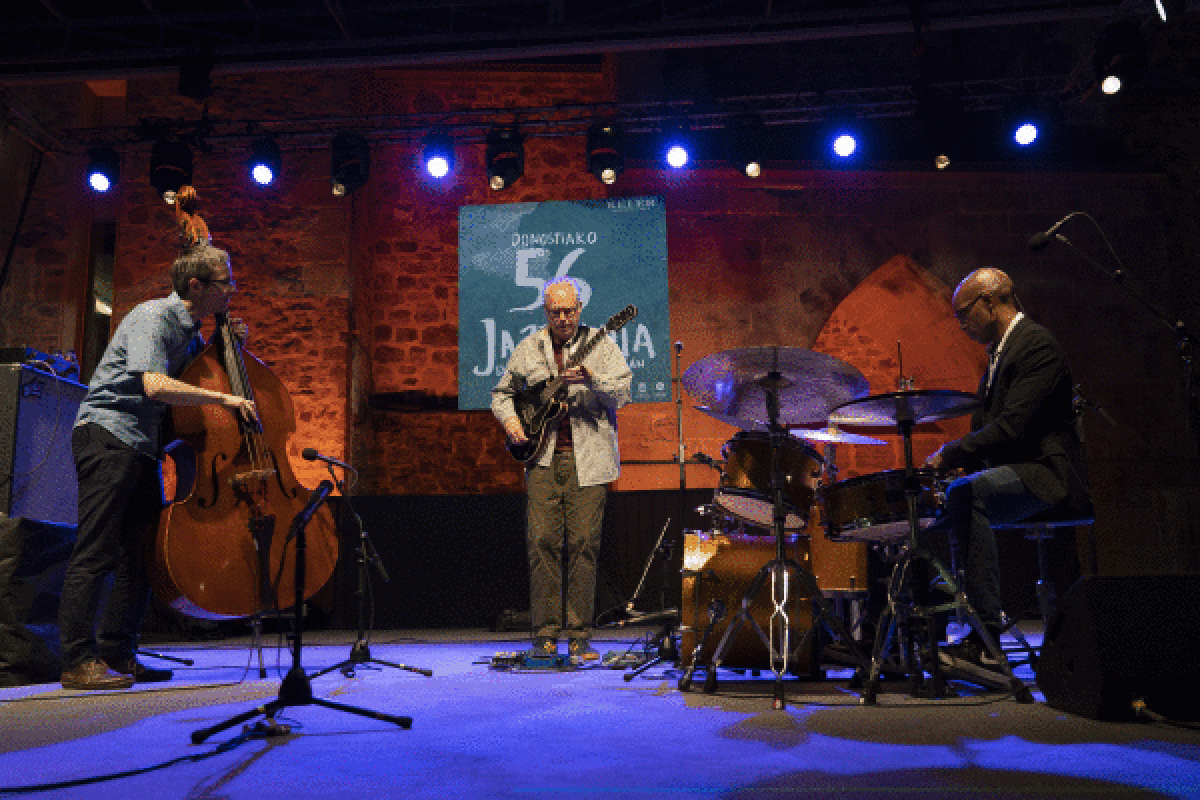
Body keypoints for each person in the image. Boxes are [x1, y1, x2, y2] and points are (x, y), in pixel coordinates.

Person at [57, 229, 257, 690]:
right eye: (225, 283)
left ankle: (117, 653)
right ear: (196, 287)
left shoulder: (189, 334)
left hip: (141, 443)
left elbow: (189, 374)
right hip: (108, 434)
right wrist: (224, 399)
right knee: (96, 549)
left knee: (138, 554)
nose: (232, 291)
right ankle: (75, 661)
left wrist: (229, 348)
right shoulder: (155, 317)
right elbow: (154, 386)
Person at [924, 267, 1090, 682]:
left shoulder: (1037, 346)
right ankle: (916, 628)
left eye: (964, 313)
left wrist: (953, 452)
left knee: (967, 494)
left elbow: (1013, 426)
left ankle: (985, 640)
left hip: (1046, 476)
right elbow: (992, 428)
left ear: (992, 302)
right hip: (1014, 469)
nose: (961, 324)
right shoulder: (998, 354)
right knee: (929, 502)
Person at [492, 277, 632, 663]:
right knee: (541, 544)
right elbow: (502, 394)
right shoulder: (530, 348)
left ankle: (579, 635)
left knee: (584, 545)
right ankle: (545, 634)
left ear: (580, 309)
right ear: (546, 312)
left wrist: (592, 379)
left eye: (570, 311)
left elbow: (622, 392)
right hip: (541, 459)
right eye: (556, 312)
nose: (564, 317)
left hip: (589, 462)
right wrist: (511, 422)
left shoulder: (601, 345)